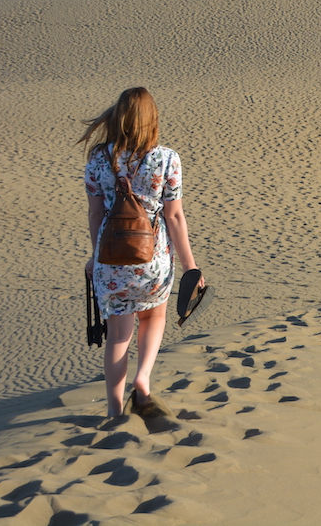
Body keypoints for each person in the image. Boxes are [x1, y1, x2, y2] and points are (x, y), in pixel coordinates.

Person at [80, 87, 203, 418]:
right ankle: (143, 379)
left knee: (118, 333)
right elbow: (174, 215)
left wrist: (95, 256)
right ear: (152, 120)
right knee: (154, 316)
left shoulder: (97, 159)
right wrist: (190, 266)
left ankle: (114, 409)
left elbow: (95, 214)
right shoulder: (166, 158)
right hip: (153, 259)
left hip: (111, 259)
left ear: (118, 117)